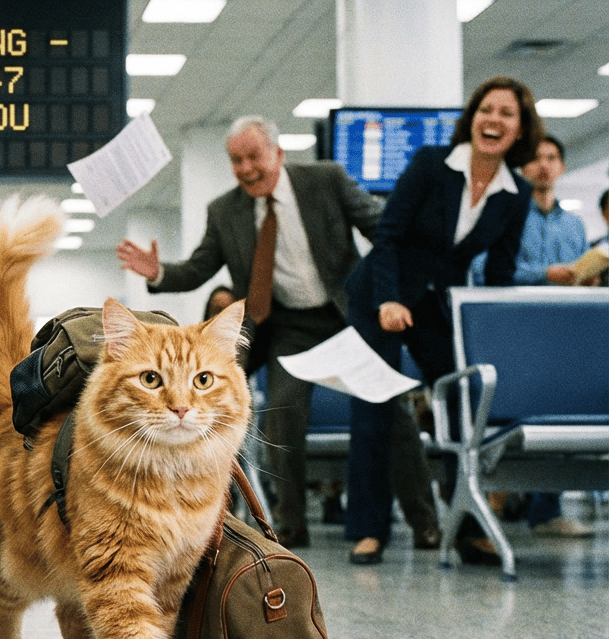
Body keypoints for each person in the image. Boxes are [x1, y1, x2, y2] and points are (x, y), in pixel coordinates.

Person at [117, 115, 441, 550]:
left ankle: (425, 522)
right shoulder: (224, 211)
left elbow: (382, 230)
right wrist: (158, 272)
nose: (246, 169)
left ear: (278, 153)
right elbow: (198, 268)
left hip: (347, 315)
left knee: (392, 406)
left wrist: (411, 255)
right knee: (282, 412)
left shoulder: (326, 180)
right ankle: (289, 525)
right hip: (290, 326)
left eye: (254, 157)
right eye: (236, 161)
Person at [344, 75, 544, 565]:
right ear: (472, 119)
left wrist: (491, 334)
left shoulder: (516, 192)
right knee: (375, 405)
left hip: (437, 305)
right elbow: (387, 236)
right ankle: (368, 530)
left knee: (462, 402)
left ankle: (466, 526)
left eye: (506, 113)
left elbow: (499, 271)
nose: (493, 120)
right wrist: (388, 301)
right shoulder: (432, 164)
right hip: (381, 293)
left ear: (520, 130)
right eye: (486, 110)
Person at [469, 135, 594, 538]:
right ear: (523, 168)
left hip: (564, 332)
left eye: (552, 158)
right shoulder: (505, 216)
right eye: (536, 158)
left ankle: (546, 511)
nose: (544, 165)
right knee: (511, 414)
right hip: (516, 332)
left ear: (561, 167)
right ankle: (498, 497)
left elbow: (578, 271)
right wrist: (545, 274)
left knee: (565, 410)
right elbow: (486, 271)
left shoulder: (574, 225)